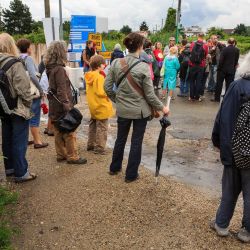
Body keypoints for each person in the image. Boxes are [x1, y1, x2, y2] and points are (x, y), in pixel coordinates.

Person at [104, 32, 169, 183]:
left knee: (120, 139)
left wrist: (118, 100)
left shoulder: (115, 63)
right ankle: (131, 175)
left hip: (123, 110)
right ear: (140, 46)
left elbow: (107, 87)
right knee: (136, 142)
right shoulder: (143, 67)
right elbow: (150, 95)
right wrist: (162, 108)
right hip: (140, 112)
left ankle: (114, 168)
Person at [211, 53, 250, 243]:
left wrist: (219, 142)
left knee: (230, 189)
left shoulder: (238, 86)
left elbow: (224, 119)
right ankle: (247, 231)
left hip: (236, 150)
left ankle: (222, 224)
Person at [0, 33, 37, 182]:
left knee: (7, 138)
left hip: (2, 107)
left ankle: (9, 168)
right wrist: (28, 103)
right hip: (17, 107)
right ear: (11, 45)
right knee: (19, 140)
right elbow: (23, 88)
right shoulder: (14, 63)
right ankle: (21, 172)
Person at [45, 41, 87, 165]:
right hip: (62, 104)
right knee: (70, 130)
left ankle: (61, 154)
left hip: (54, 104)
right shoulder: (59, 70)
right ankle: (72, 156)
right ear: (60, 52)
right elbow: (62, 89)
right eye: (65, 50)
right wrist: (68, 107)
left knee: (58, 129)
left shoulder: (49, 67)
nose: (67, 52)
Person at [16, 38, 48, 149]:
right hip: (33, 92)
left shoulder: (17, 58)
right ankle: (37, 142)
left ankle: (24, 139)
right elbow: (32, 75)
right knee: (34, 117)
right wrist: (40, 89)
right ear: (28, 48)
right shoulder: (28, 58)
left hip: (23, 92)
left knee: (25, 116)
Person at [85, 55, 114, 154]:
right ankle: (100, 147)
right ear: (98, 66)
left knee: (92, 125)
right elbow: (101, 92)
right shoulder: (99, 77)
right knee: (102, 127)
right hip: (101, 106)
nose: (104, 65)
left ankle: (90, 144)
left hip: (93, 105)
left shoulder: (89, 75)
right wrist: (108, 93)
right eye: (103, 64)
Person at [211, 38, 240, 102]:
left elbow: (221, 60)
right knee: (229, 85)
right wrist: (233, 67)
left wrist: (219, 68)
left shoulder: (224, 49)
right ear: (234, 42)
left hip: (222, 69)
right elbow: (236, 60)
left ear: (228, 42)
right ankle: (227, 98)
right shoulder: (237, 50)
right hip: (231, 70)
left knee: (219, 84)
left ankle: (217, 98)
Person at [188, 33, 209, 101]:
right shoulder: (205, 45)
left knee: (192, 81)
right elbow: (205, 55)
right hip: (201, 65)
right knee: (199, 81)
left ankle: (191, 96)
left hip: (192, 65)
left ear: (198, 36)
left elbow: (190, 52)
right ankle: (197, 96)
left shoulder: (192, 44)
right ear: (203, 37)